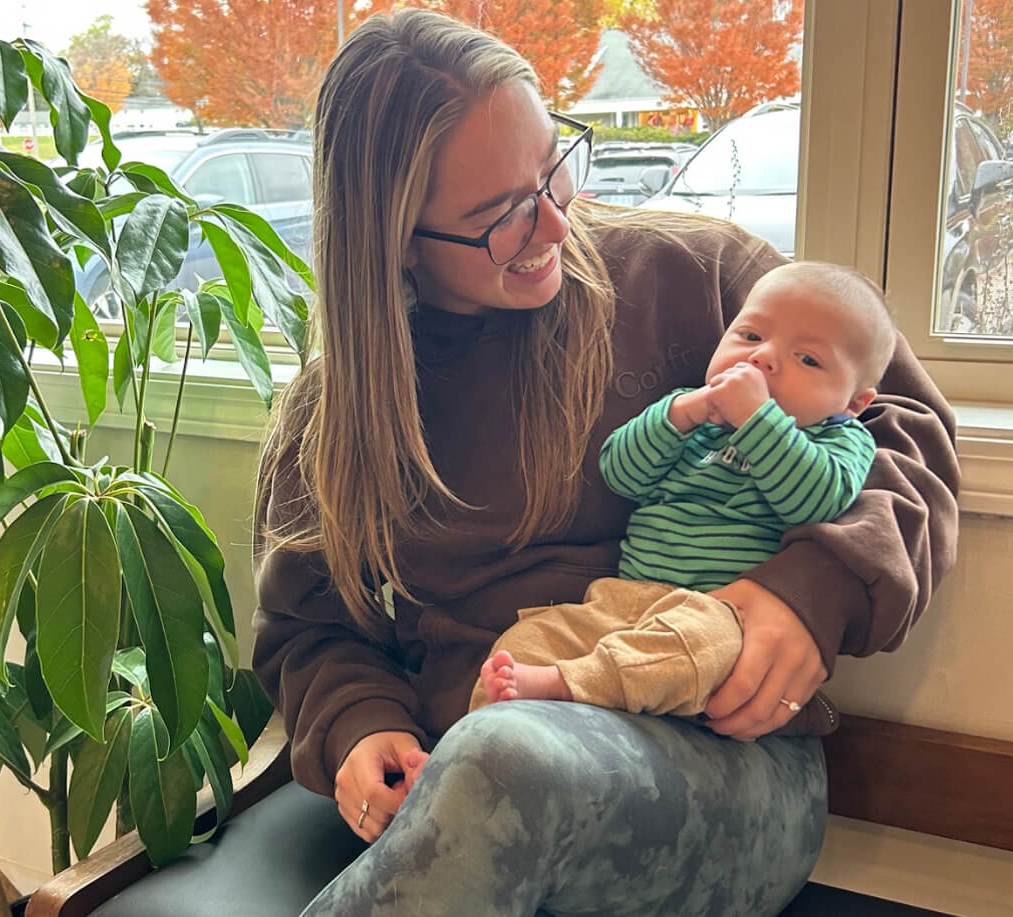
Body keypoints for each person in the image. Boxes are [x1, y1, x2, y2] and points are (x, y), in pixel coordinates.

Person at [252, 9, 959, 916]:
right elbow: (305, 626)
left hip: (719, 758)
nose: (555, 221)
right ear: (394, 240)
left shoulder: (698, 278)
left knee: (505, 756)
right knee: (491, 757)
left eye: (554, 167)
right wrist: (361, 724)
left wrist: (812, 589)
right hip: (463, 773)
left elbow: (909, 428)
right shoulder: (338, 408)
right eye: (501, 214)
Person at [472, 261, 895, 727]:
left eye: (808, 360)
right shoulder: (691, 413)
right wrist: (680, 414)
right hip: (621, 601)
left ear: (854, 403)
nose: (762, 358)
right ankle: (471, 740)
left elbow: (814, 501)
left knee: (699, 647)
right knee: (522, 643)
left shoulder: (839, 438)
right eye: (750, 336)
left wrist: (757, 421)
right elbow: (621, 473)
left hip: (719, 616)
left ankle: (567, 685)